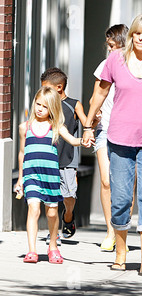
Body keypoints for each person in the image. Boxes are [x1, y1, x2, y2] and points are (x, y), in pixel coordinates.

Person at [82, 12, 142, 278]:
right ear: (132, 34)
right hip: (119, 139)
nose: (141, 39)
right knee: (121, 199)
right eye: (137, 33)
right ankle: (121, 254)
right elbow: (99, 93)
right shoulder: (116, 60)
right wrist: (89, 125)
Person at [14, 86, 88, 264]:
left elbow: (72, 140)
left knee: (53, 213)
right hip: (32, 175)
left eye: (45, 106)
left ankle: (53, 246)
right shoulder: (25, 127)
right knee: (33, 209)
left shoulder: (56, 127)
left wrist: (83, 141)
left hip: (51, 176)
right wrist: (20, 179)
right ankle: (32, 250)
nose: (39, 108)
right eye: (38, 104)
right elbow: (22, 153)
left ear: (52, 108)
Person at [90, 24, 129, 251]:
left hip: (126, 130)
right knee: (106, 180)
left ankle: (121, 226)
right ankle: (110, 230)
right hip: (104, 128)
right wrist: (90, 121)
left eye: (114, 46)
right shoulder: (104, 66)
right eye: (109, 46)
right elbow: (96, 96)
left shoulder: (135, 67)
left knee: (124, 184)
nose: (110, 51)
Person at [40, 67, 89, 240]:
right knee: (50, 197)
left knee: (68, 194)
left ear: (59, 88)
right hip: (49, 156)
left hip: (68, 157)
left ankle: (68, 216)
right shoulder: (44, 105)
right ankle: (53, 232)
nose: (44, 92)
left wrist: (94, 121)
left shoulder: (74, 104)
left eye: (47, 88)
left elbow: (86, 123)